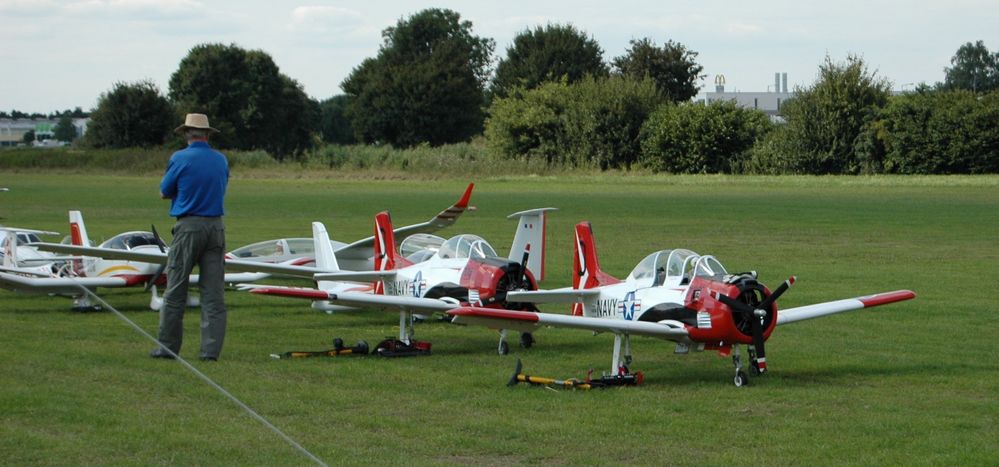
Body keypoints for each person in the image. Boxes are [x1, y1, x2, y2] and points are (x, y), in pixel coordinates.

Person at [150, 113, 229, 361]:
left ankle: (167, 347)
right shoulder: (221, 160)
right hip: (216, 227)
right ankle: (210, 351)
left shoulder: (180, 158)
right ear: (207, 135)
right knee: (213, 293)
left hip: (188, 226)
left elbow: (164, 191)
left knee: (175, 290)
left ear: (187, 134)